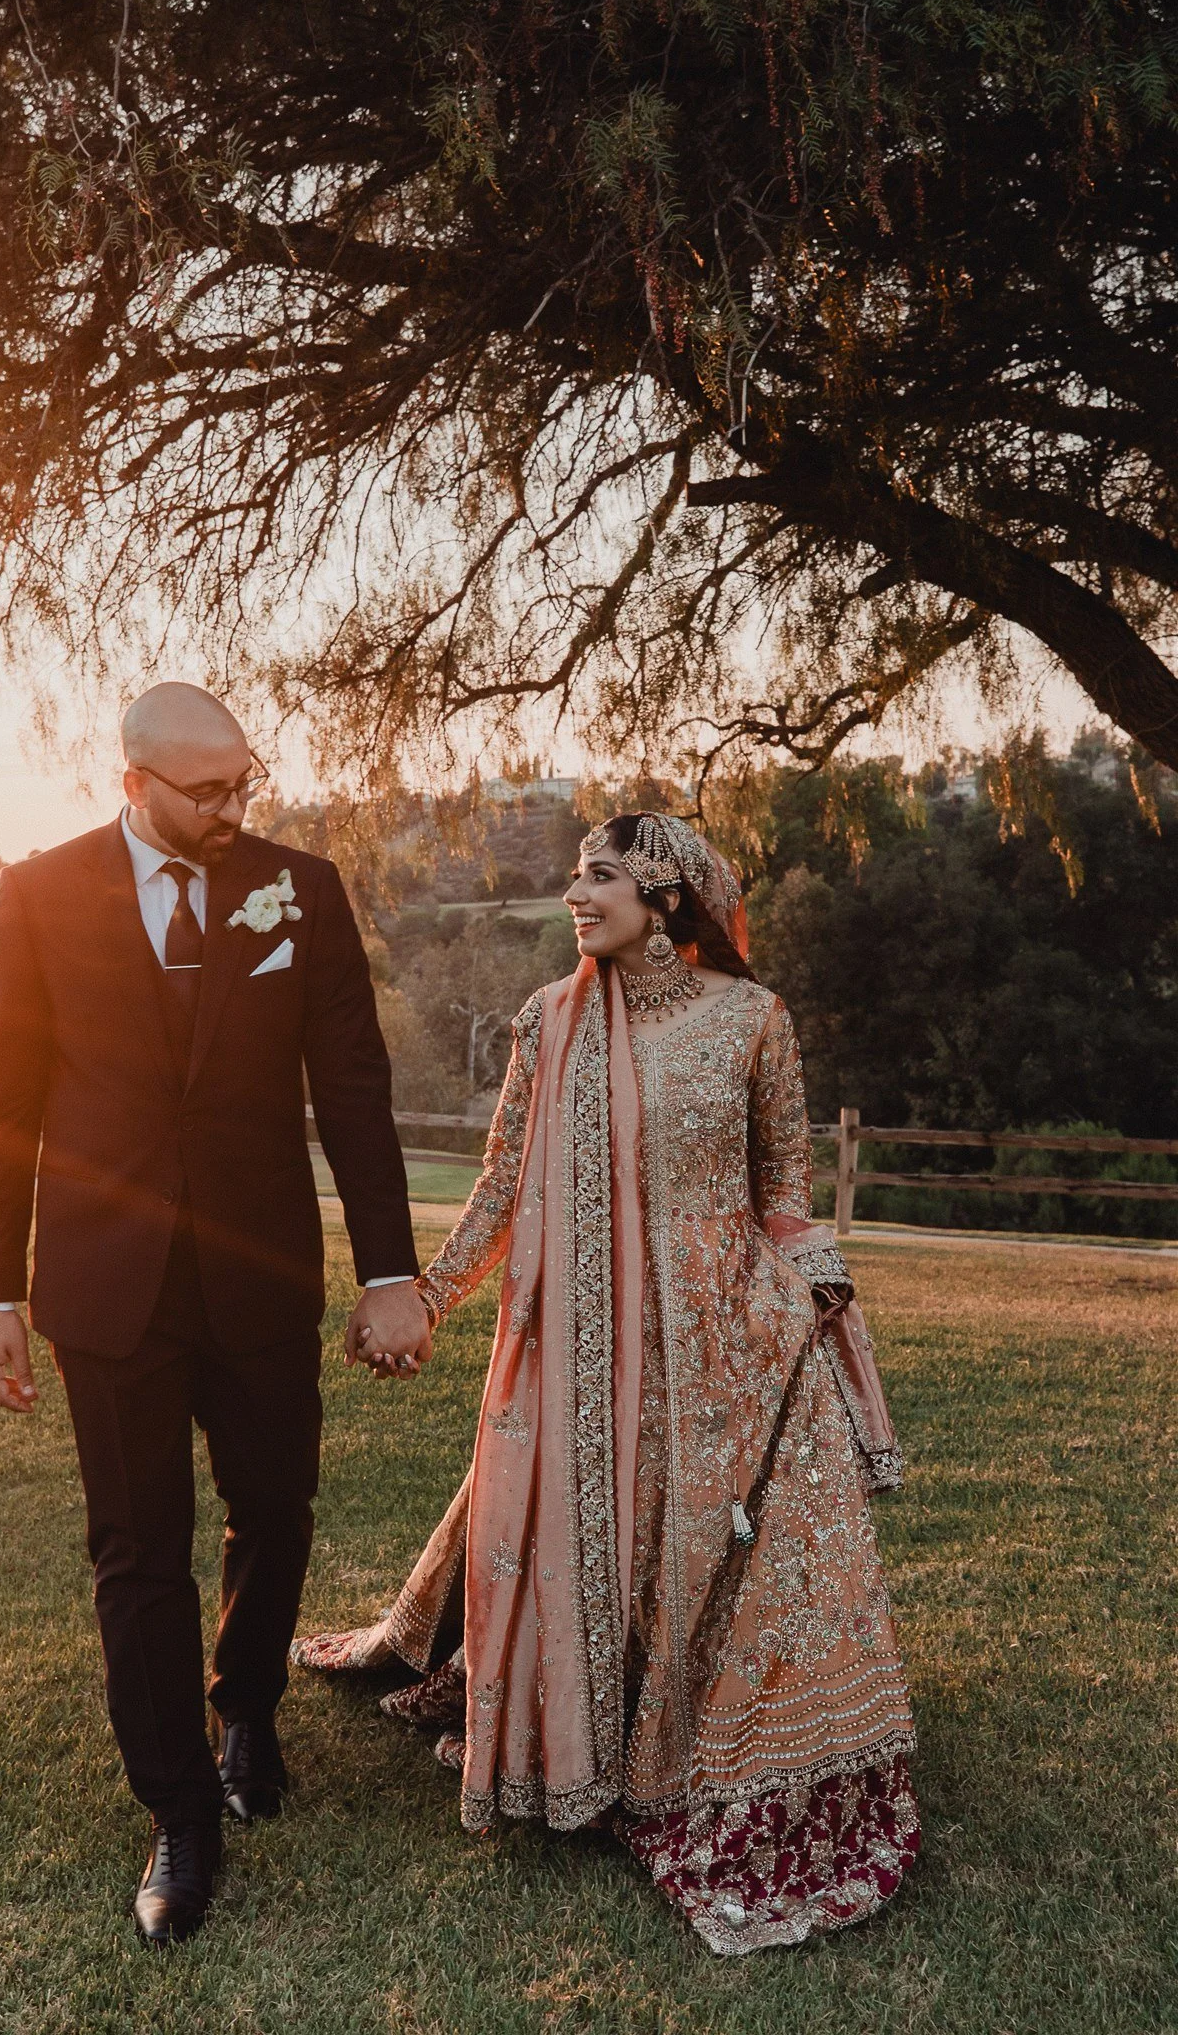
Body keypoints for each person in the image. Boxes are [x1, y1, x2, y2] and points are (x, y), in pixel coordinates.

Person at [295, 812, 919, 1956]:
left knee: (704, 1546)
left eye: (602, 876)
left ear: (669, 896)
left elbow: (782, 1189)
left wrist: (820, 1301)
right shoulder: (550, 1018)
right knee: (597, 1524)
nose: (575, 894)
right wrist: (427, 1297)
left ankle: (686, 1747)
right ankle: (584, 1739)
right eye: (576, 875)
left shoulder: (754, 1022)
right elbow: (499, 1185)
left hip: (724, 1330)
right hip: (582, 1329)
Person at [0, 682, 430, 1946]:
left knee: (274, 1509)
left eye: (246, 782)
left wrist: (388, 1267)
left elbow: (352, 1085)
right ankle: (179, 1810)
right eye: (207, 789)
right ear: (134, 783)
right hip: (107, 1285)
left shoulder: (301, 888)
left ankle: (248, 1709)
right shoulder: (39, 894)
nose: (235, 807)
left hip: (260, 1268)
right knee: (137, 1550)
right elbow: (2, 1101)